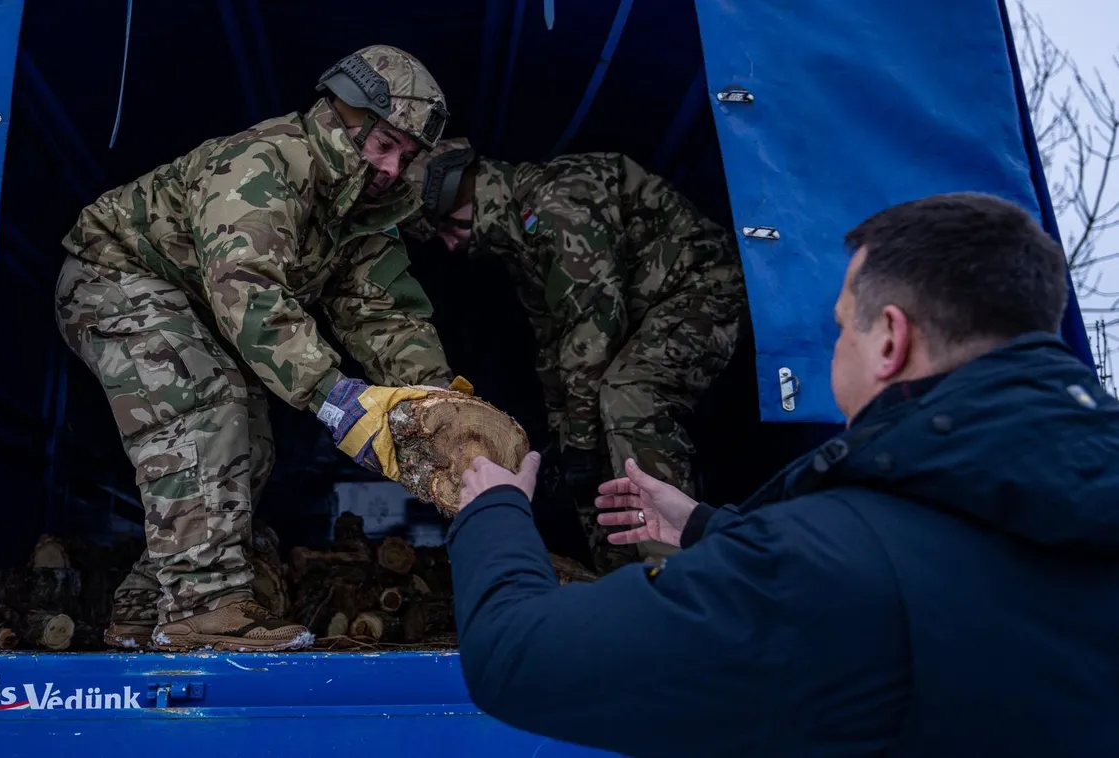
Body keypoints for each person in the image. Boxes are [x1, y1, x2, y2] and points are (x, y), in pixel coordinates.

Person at [443, 192, 1119, 757]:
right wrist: (707, 529)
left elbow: (517, 658)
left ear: (890, 339)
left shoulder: (824, 569)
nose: (835, 355)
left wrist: (494, 513)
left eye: (840, 331)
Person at [55, 45, 466, 653]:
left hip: (200, 308)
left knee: (248, 444)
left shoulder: (360, 212)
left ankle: (146, 607)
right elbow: (248, 295)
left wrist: (437, 397)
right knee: (205, 402)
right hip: (113, 277)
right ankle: (204, 609)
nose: (392, 167)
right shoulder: (261, 165)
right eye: (385, 145)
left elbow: (385, 313)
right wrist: (338, 398)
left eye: (406, 156)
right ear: (342, 116)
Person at [402, 137, 745, 573]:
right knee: (580, 429)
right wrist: (566, 436)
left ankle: (676, 573)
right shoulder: (519, 242)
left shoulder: (556, 204)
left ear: (464, 193)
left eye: (449, 226)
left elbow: (594, 329)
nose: (450, 244)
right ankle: (619, 575)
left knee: (628, 393)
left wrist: (581, 442)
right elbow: (555, 349)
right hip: (637, 314)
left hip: (702, 288)